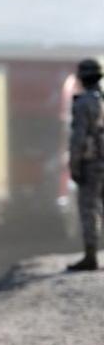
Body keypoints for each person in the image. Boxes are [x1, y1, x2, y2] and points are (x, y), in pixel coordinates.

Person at [66, 58, 104, 271]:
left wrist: (74, 166)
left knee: (89, 209)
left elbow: (78, 138)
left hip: (91, 163)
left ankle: (91, 256)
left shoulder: (84, 103)